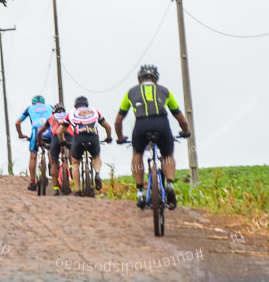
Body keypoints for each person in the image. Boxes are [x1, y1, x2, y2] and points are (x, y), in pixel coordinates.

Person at [115, 64, 190, 210]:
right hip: (162, 123)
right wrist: (185, 131)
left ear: (139, 80)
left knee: (137, 153)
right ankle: (169, 184)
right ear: (156, 80)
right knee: (168, 154)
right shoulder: (164, 91)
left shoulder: (131, 92)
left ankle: (139, 192)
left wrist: (120, 137)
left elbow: (118, 121)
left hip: (141, 125)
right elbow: (181, 119)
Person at [56, 96, 112, 196]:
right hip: (93, 137)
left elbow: (59, 132)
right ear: (87, 105)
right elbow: (108, 127)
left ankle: (78, 190)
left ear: (75, 106)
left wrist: (63, 141)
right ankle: (97, 173)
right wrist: (108, 137)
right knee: (96, 156)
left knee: (75, 163)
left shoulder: (71, 114)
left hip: (79, 138)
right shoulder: (95, 111)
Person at [15, 95, 54, 191]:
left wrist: (20, 134)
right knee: (51, 152)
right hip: (50, 129)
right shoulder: (49, 107)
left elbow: (17, 123)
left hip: (36, 131)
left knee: (33, 155)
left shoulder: (30, 108)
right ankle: (52, 166)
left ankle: (32, 182)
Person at [38, 104, 73, 196]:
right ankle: (73, 167)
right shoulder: (68, 115)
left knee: (54, 162)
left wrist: (39, 141)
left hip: (56, 137)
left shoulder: (51, 117)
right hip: (69, 135)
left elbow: (40, 131)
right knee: (72, 152)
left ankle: (56, 188)